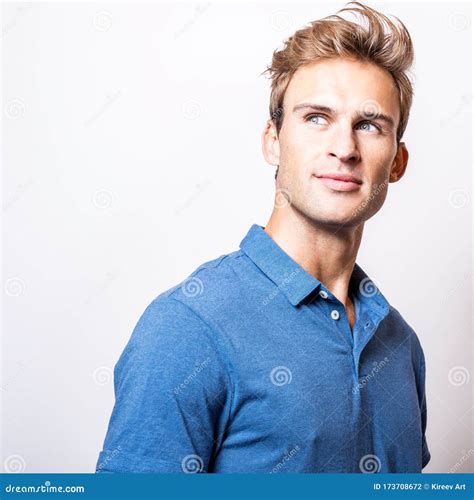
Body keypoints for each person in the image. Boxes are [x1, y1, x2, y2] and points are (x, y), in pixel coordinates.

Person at [96, 1, 430, 473]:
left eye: (369, 125)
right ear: (272, 140)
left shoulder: (401, 345)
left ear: (396, 161)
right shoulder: (188, 327)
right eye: (316, 117)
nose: (344, 148)